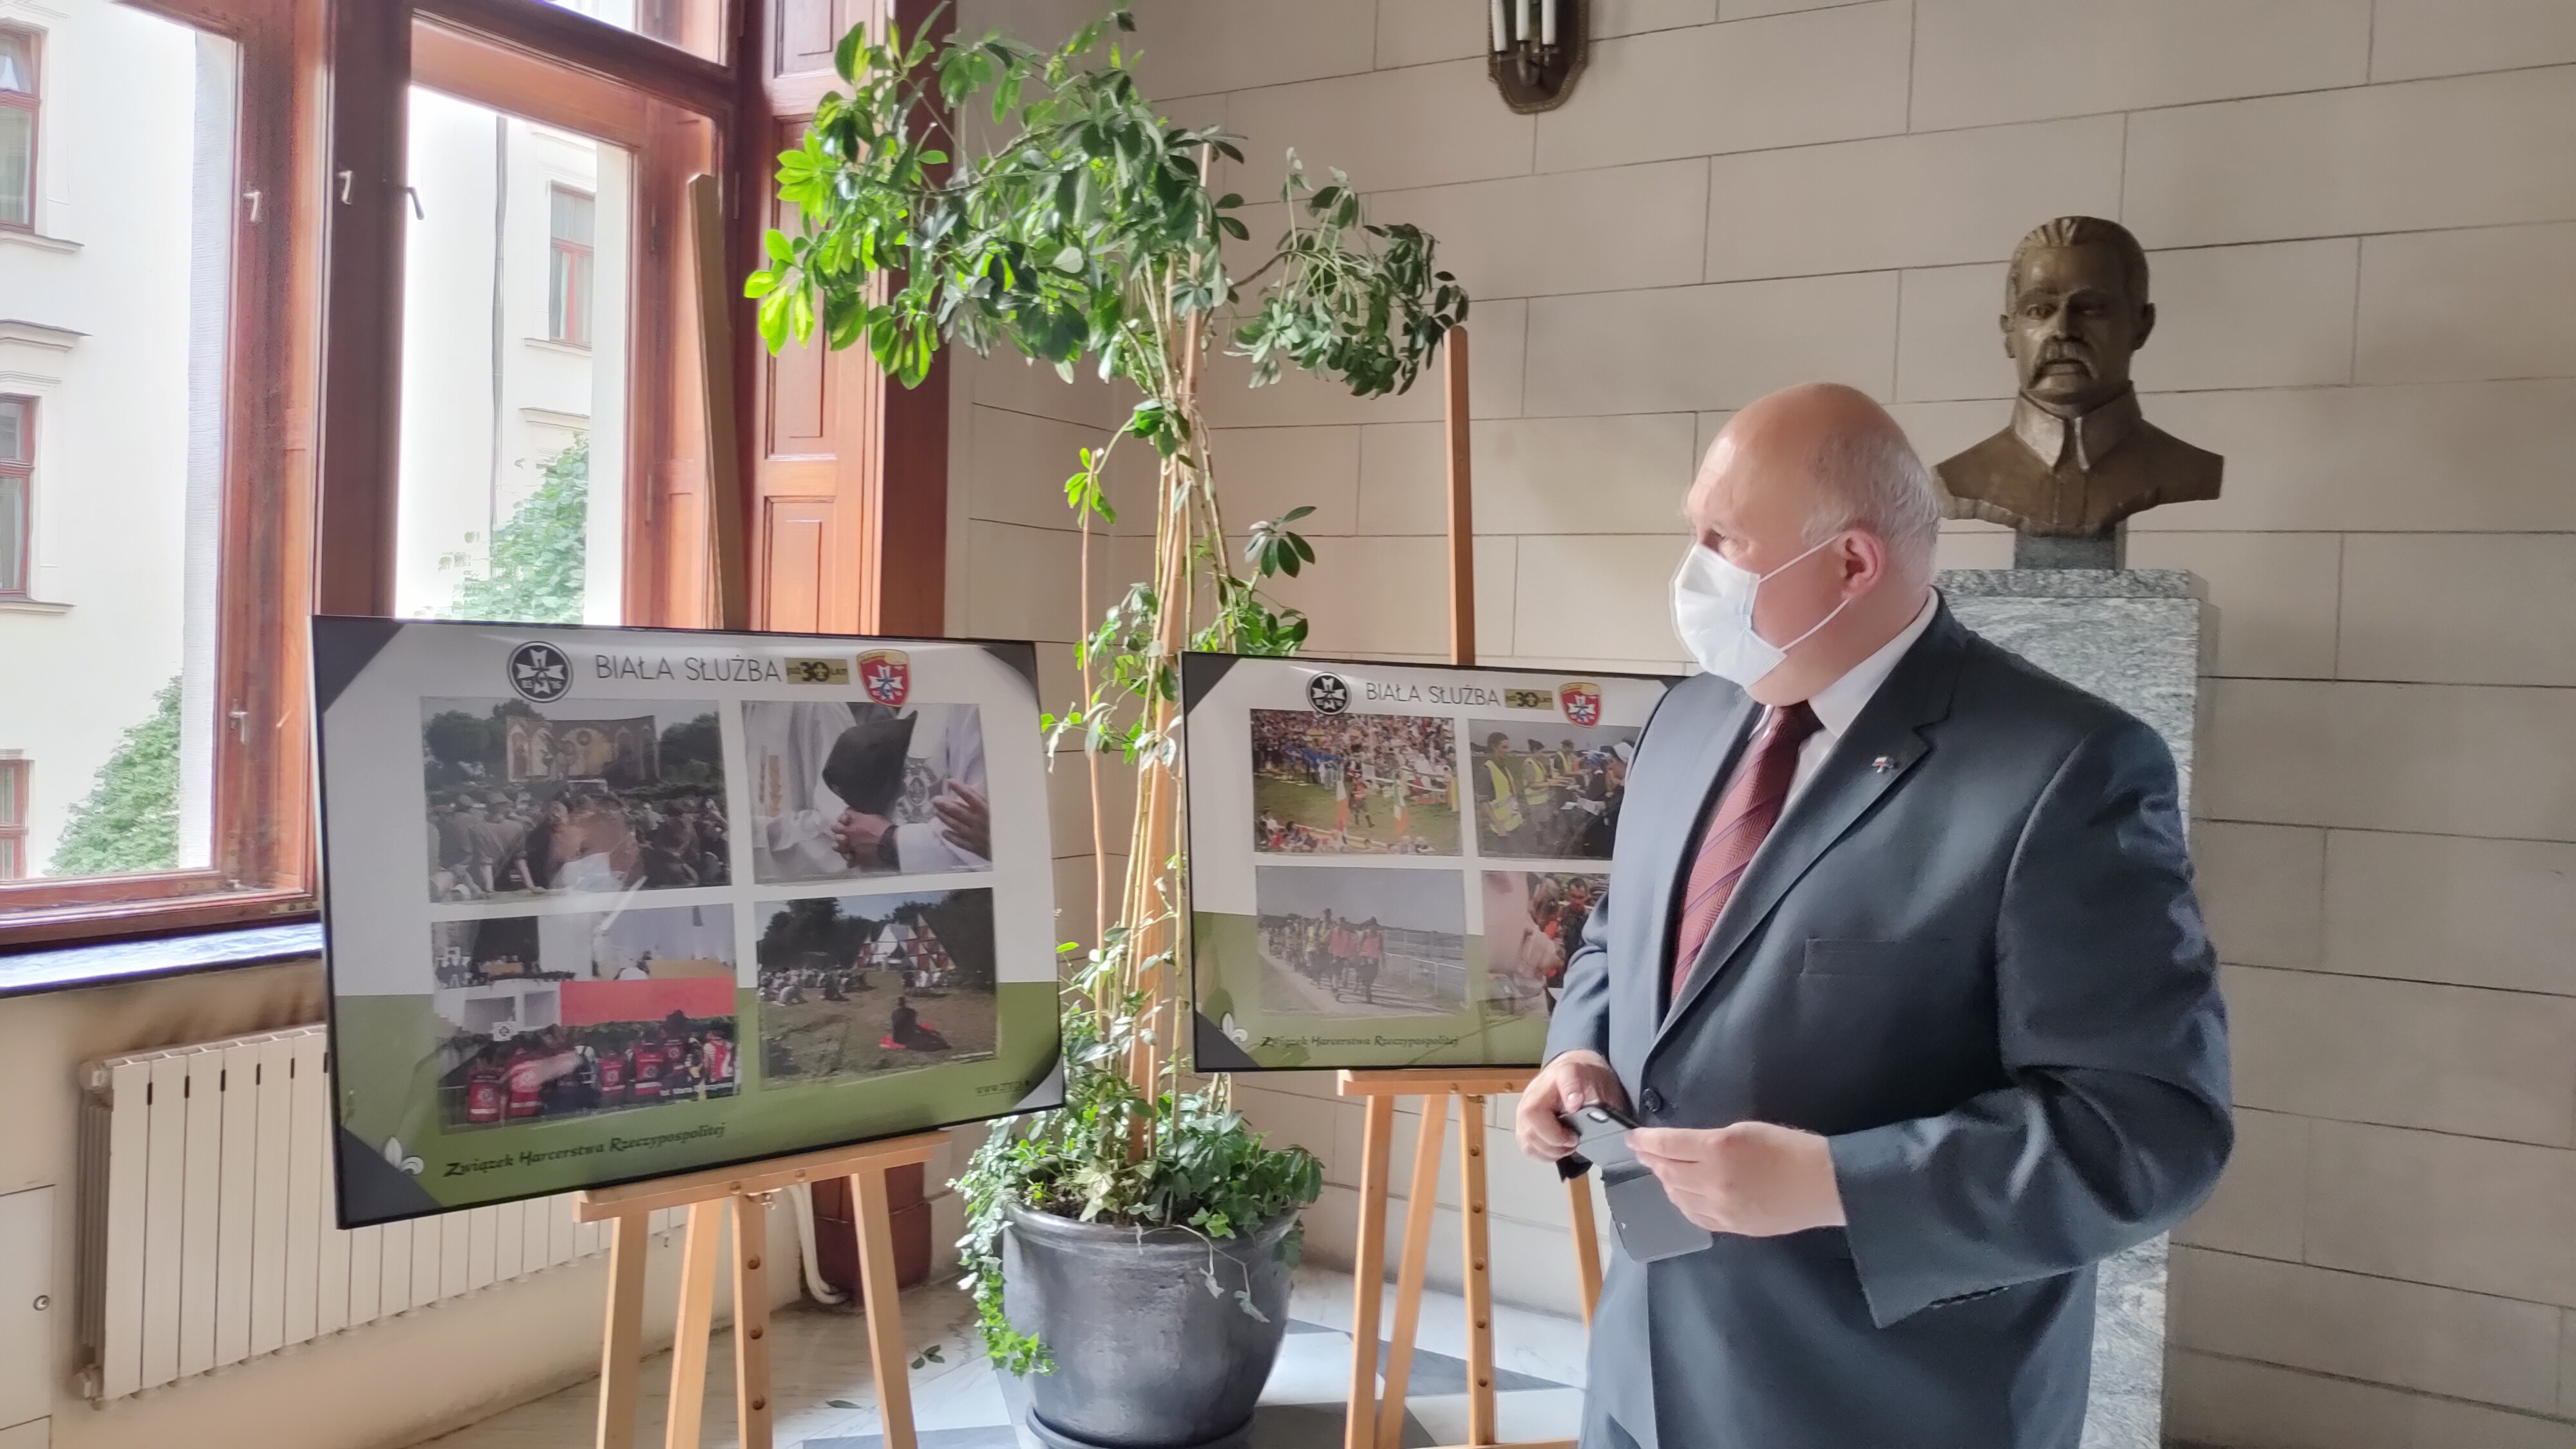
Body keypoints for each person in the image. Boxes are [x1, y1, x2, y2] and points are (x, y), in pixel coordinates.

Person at [1513, 383, 2231, 1449]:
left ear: (1853, 563)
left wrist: (1836, 1183)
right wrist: (1577, 1051)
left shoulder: (2066, 769)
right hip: (1644, 1376)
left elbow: (2145, 1131)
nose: (1691, 570)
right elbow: (1625, 933)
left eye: (1723, 540)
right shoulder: (1690, 712)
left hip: (1882, 1399)